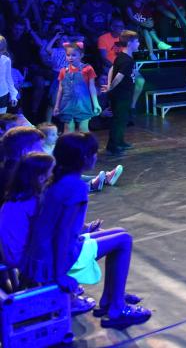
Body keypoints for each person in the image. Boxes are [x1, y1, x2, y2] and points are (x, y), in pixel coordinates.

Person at [23, 132, 151, 329]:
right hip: (55, 257)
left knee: (119, 232)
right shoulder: (75, 187)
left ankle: (110, 297)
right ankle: (117, 307)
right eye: (94, 153)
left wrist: (85, 231)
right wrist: (60, 274)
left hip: (42, 252)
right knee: (124, 240)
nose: (96, 156)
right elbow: (64, 235)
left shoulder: (55, 180)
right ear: (84, 158)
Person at [0, 151, 55, 272]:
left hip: (9, 254)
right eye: (52, 172)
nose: (54, 175)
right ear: (41, 178)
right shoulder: (32, 202)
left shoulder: (15, 198)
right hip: (21, 257)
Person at [101, 31, 139, 156]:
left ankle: (120, 141)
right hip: (121, 95)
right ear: (130, 43)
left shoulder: (122, 56)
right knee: (118, 120)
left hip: (124, 93)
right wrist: (110, 87)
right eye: (137, 41)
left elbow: (112, 69)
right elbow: (119, 77)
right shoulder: (127, 60)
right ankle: (112, 146)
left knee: (122, 119)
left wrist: (109, 84)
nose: (139, 44)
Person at [53, 43, 101, 133]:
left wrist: (96, 104)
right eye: (68, 55)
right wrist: (57, 106)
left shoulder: (88, 69)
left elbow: (92, 87)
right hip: (67, 103)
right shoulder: (63, 71)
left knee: (84, 129)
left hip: (83, 103)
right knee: (68, 129)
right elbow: (60, 89)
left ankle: (86, 142)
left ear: (81, 55)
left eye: (74, 55)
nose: (70, 57)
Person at [0, 35, 18, 114]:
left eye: (1, 50)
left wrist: (13, 95)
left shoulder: (6, 60)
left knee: (1, 118)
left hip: (3, 94)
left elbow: (8, 79)